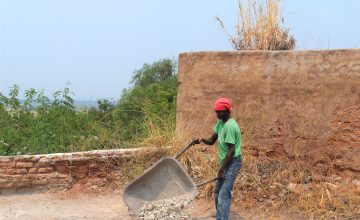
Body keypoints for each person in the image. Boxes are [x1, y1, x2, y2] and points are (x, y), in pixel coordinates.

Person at [194, 98, 242, 220]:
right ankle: (221, 216)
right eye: (216, 112)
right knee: (217, 193)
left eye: (220, 112)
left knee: (223, 195)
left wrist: (221, 170)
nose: (218, 114)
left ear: (227, 111)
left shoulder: (230, 127)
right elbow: (211, 140)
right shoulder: (221, 124)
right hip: (225, 163)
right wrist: (201, 139)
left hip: (232, 162)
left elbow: (231, 151)